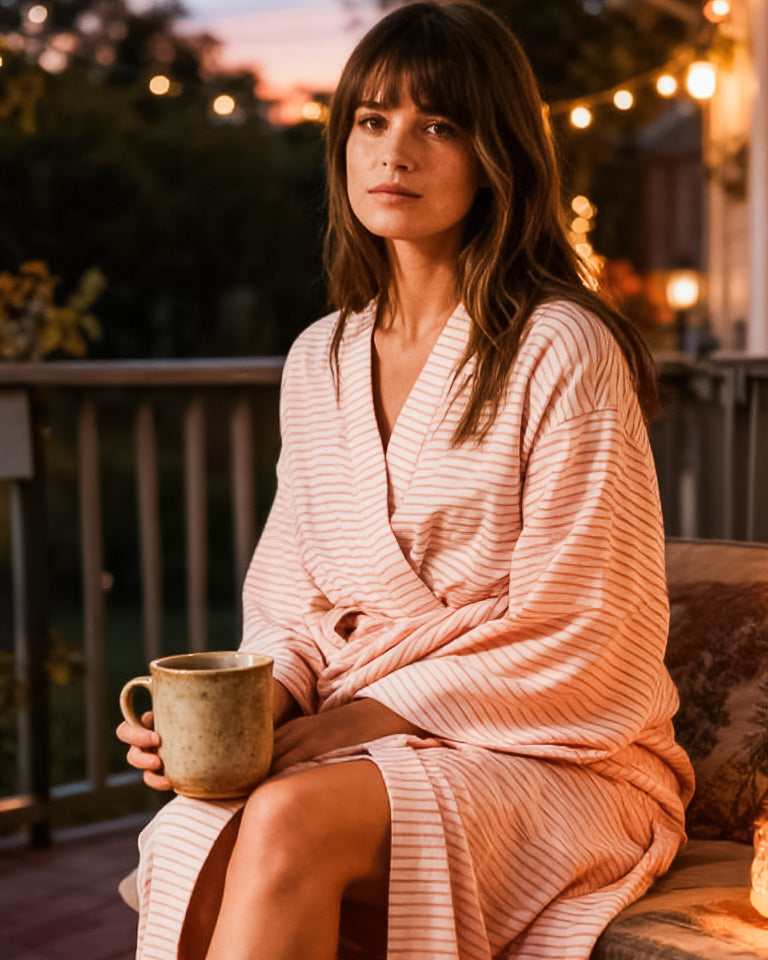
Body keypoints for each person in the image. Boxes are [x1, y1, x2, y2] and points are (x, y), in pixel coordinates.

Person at [117, 3, 694, 958]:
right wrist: (257, 711)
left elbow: (593, 625)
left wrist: (366, 716)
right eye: (373, 119)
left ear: (496, 154)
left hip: (555, 754)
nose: (396, 151)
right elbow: (289, 599)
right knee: (199, 824)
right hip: (362, 738)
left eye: (440, 125)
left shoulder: (563, 346)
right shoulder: (319, 358)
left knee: (290, 816)